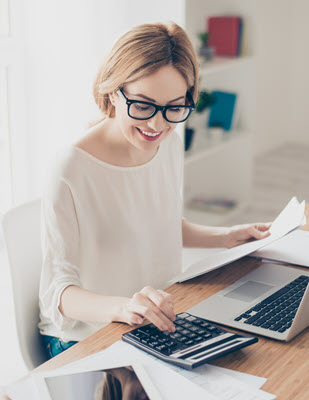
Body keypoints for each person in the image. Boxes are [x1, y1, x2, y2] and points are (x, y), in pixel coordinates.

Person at [38, 22, 270, 359]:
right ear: (113, 91)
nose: (157, 125)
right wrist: (125, 307)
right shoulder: (70, 168)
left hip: (156, 326)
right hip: (87, 339)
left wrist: (226, 236)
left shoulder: (168, 144)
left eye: (175, 107)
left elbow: (158, 224)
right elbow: (56, 293)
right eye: (143, 106)